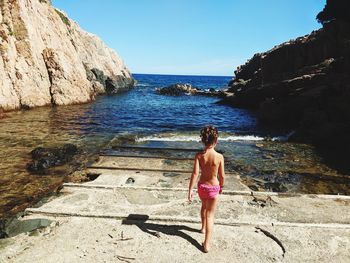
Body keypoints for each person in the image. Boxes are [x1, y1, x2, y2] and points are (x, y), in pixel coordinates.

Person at [188, 125, 225, 253]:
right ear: (216, 140)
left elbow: (194, 174)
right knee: (210, 215)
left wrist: (190, 190)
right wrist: (221, 187)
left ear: (203, 140)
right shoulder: (219, 157)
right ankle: (207, 244)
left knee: (204, 207)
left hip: (202, 188)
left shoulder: (199, 156)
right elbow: (222, 176)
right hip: (214, 188)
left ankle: (203, 228)